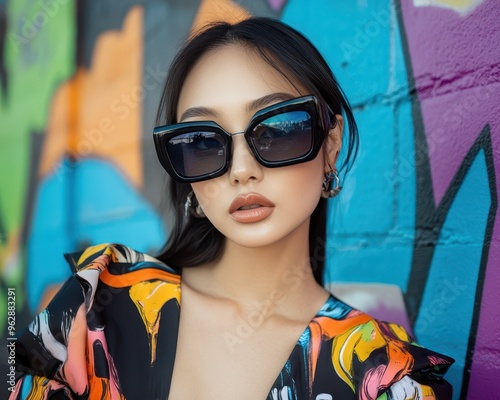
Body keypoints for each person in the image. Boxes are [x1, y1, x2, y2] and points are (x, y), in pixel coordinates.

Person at [10, 17, 453, 400]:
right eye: (202, 143)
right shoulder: (98, 311)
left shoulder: (381, 375)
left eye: (278, 129)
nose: (241, 170)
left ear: (329, 145)